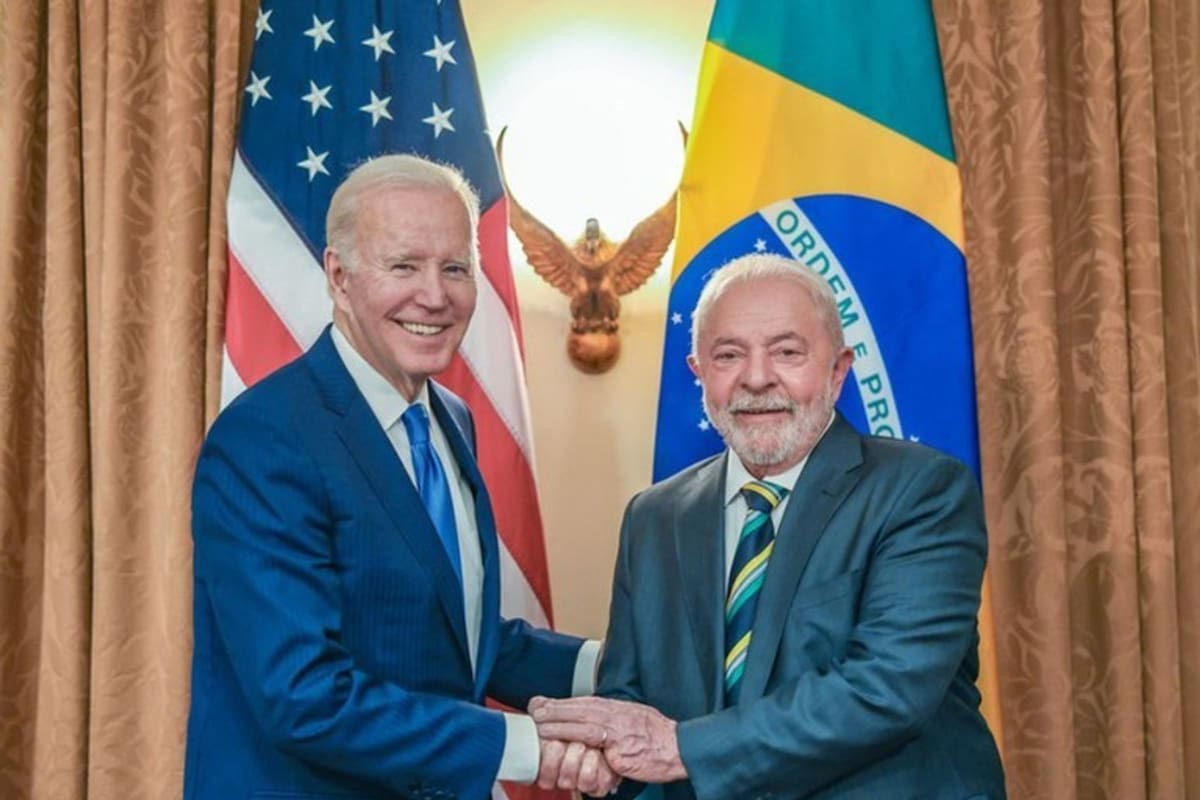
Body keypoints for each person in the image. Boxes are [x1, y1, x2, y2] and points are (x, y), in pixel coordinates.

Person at [185, 154, 616, 799]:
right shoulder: (266, 439)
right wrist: (528, 747)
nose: (435, 296)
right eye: (404, 266)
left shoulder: (451, 418)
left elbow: (448, 632)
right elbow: (302, 693)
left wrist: (613, 667)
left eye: (455, 268)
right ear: (339, 276)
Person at [531, 253, 1006, 799]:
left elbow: (888, 687)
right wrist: (600, 756)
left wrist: (680, 748)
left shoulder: (920, 491)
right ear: (699, 373)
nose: (756, 378)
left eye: (787, 352)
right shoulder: (653, 517)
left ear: (838, 370)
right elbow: (629, 697)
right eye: (729, 355)